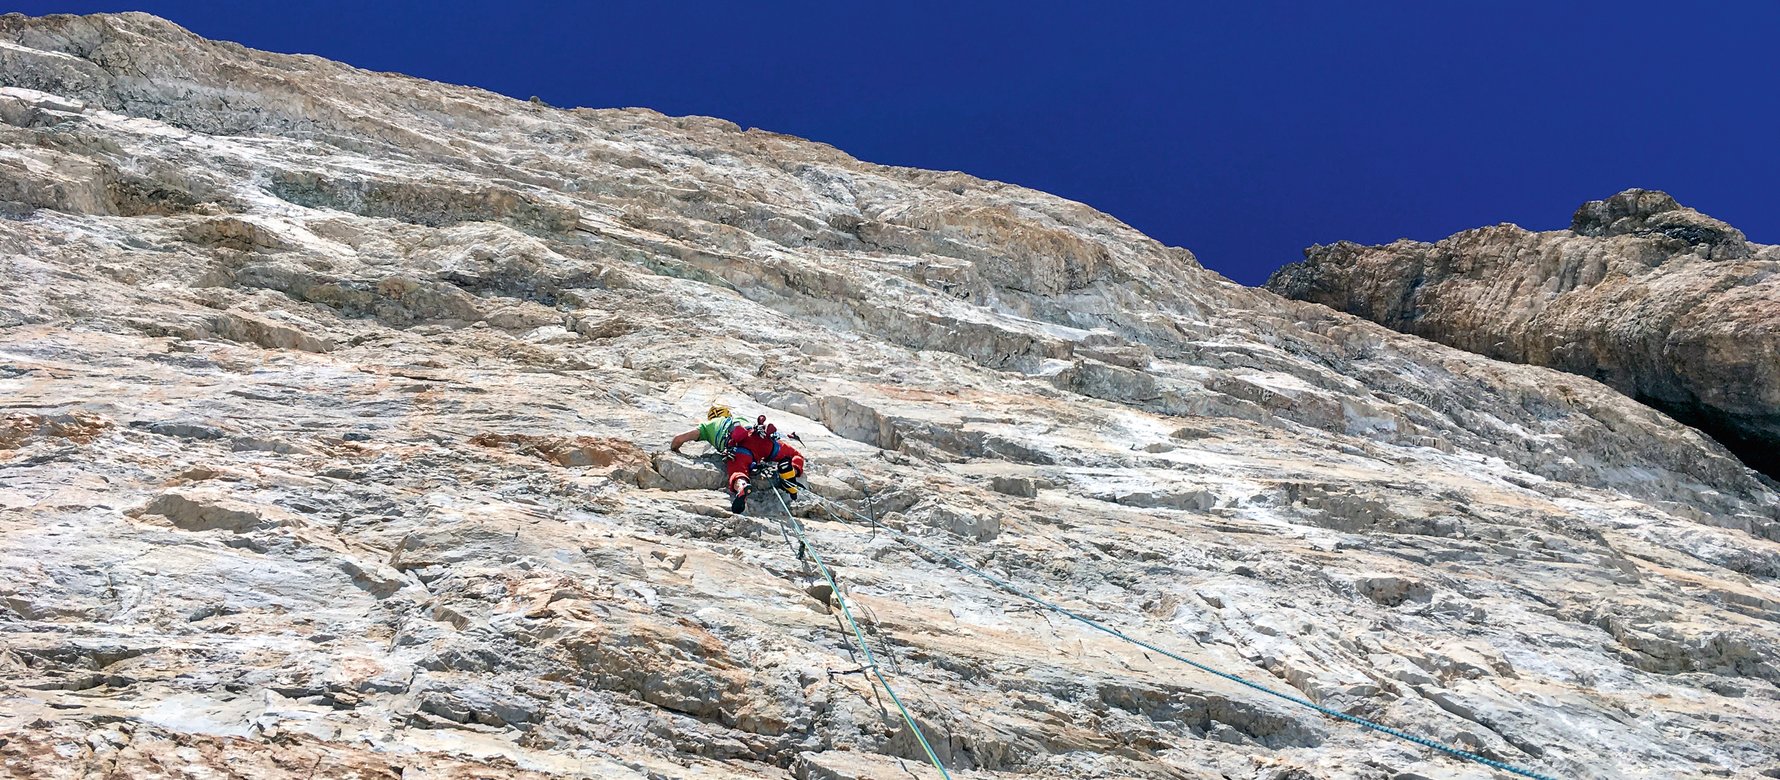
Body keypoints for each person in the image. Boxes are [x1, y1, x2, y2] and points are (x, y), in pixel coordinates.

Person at [671, 406, 806, 513]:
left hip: (738, 448)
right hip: (760, 438)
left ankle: (742, 487)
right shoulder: (740, 419)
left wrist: (674, 450)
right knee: (795, 454)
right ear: (727, 414)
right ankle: (791, 471)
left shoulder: (707, 426)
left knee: (737, 473)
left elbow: (678, 439)